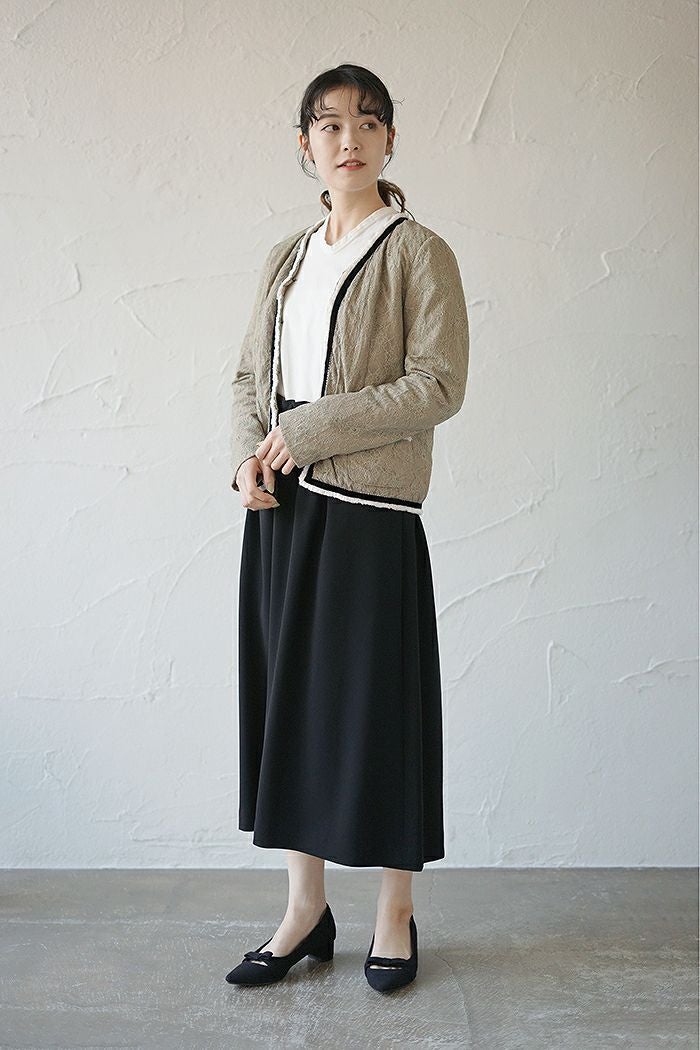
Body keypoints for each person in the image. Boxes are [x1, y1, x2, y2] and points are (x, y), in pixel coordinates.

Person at [225, 63, 469, 992]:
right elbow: (247, 377)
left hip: (371, 514)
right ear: (305, 146)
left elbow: (437, 385)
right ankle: (305, 909)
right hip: (281, 510)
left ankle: (394, 911)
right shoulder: (286, 258)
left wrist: (310, 430)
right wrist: (247, 457)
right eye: (329, 125)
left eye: (369, 123)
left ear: (391, 141)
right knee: (290, 710)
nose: (350, 139)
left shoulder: (418, 252)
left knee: (378, 708)